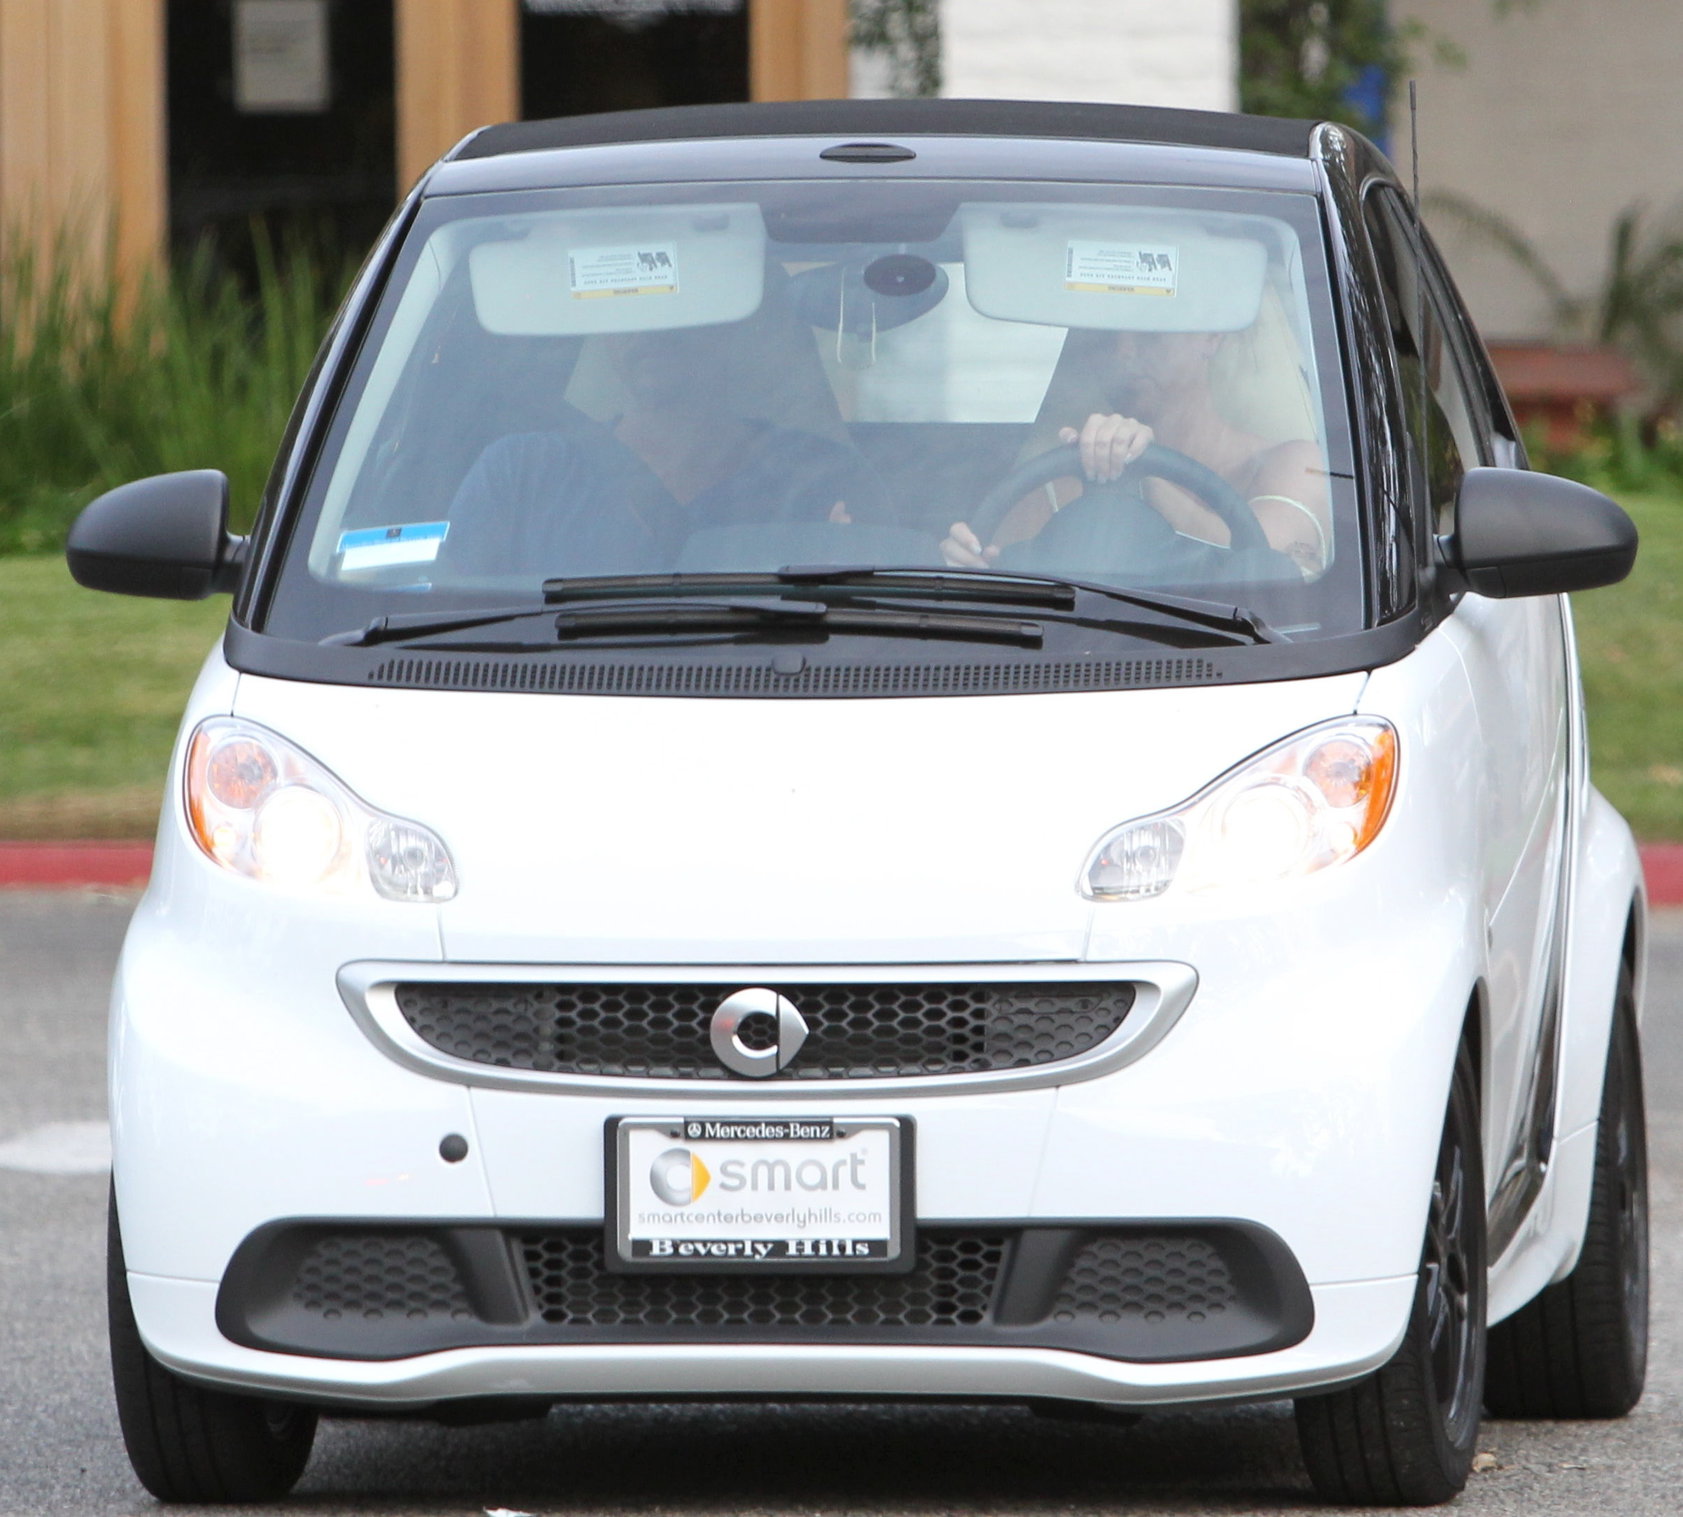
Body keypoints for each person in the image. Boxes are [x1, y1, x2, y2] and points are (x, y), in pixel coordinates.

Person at [442, 323, 884, 579]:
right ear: (603, 335)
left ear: (731, 325)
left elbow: (871, 635)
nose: (651, 328)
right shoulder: (522, 474)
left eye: (678, 306)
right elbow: (452, 628)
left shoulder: (823, 476)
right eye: (626, 308)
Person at [940, 328, 1332, 578]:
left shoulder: (1295, 464)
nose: (1123, 353)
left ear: (1211, 337)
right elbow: (1000, 588)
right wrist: (964, 566)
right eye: (1106, 337)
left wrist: (1144, 475)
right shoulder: (1054, 481)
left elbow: (1270, 574)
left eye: (1149, 332)